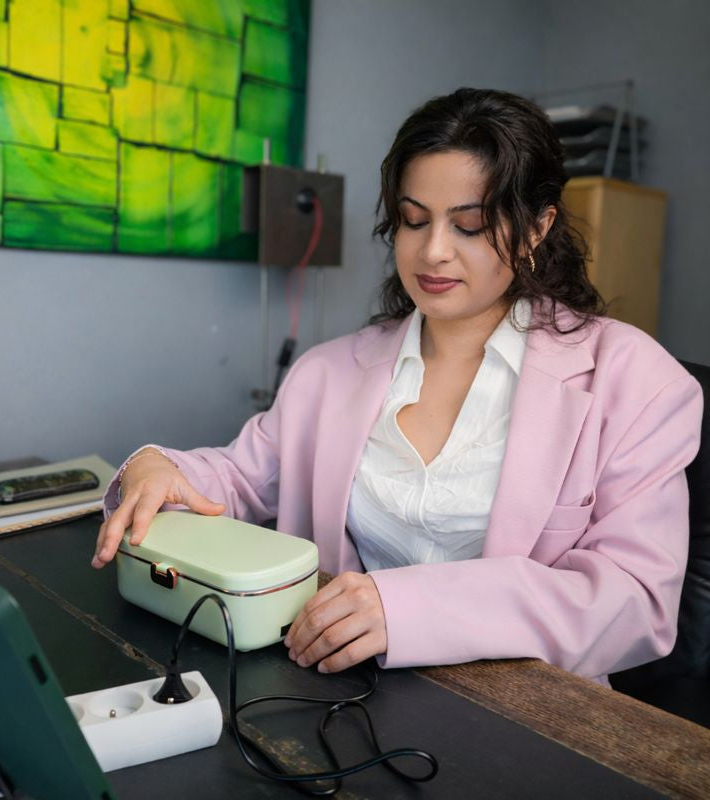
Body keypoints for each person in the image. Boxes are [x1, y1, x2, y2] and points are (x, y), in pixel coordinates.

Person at [92, 88, 703, 686]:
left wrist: (408, 608)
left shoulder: (635, 381)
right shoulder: (328, 373)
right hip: (339, 691)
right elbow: (239, 478)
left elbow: (635, 601)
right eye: (414, 221)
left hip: (532, 716)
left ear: (537, 228)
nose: (433, 252)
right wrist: (159, 467)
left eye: (471, 226)